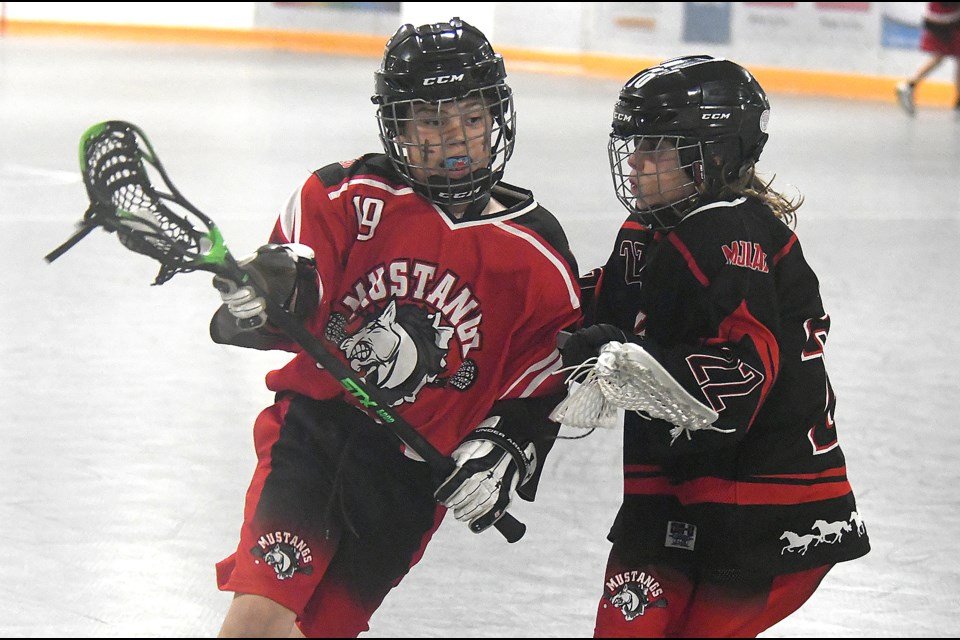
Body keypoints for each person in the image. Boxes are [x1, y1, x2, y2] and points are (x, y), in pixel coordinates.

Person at [209, 17, 582, 638]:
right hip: (312, 437)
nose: (454, 137)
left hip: (410, 478)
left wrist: (505, 449)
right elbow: (290, 308)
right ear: (400, 128)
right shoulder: (345, 194)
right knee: (257, 616)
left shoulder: (537, 253)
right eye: (431, 122)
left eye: (470, 116)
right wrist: (259, 299)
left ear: (497, 116)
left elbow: (541, 385)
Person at [557, 55, 870, 638]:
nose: (636, 161)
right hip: (677, 496)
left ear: (716, 154)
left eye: (658, 146)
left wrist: (623, 362)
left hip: (769, 511)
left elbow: (736, 388)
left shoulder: (728, 235)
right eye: (635, 144)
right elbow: (593, 309)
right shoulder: (649, 233)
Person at [895, 2, 960, 115]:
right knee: (945, 56)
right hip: (948, 19)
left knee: (939, 56)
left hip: (940, 17)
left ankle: (909, 86)